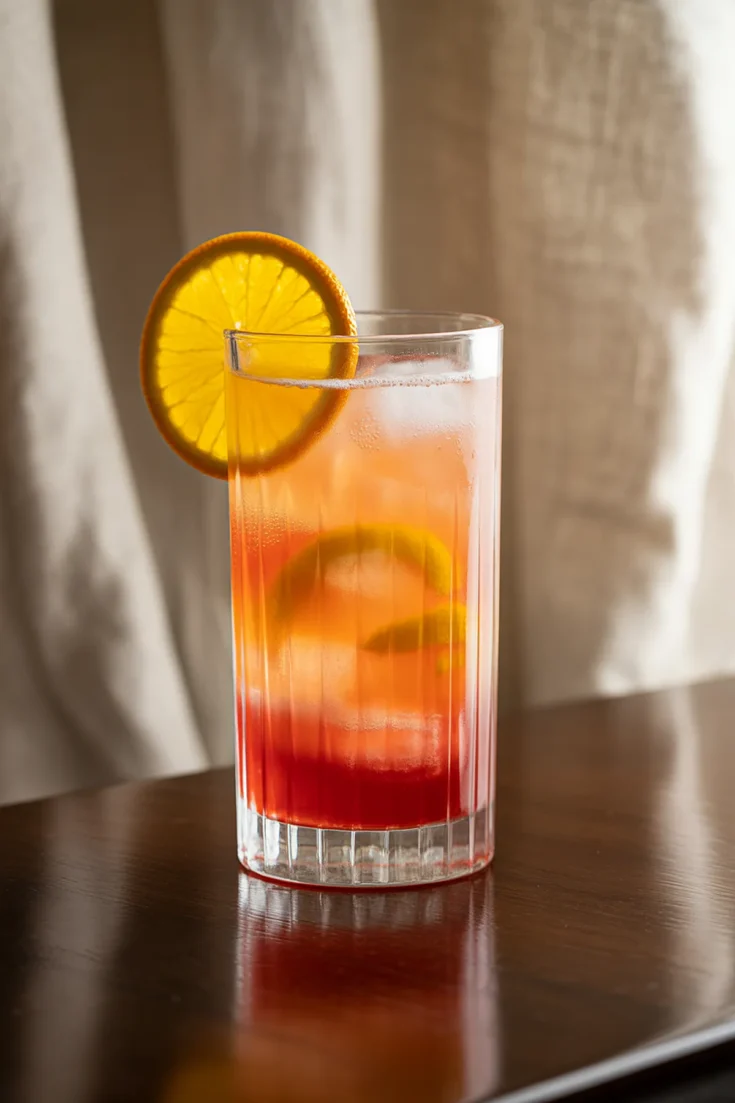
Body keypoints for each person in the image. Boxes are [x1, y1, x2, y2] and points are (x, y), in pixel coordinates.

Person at [2, 0, 735, 804]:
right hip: (285, 821)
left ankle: (425, 818)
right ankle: (298, 817)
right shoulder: (272, 391)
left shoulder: (455, 385)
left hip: (447, 820)